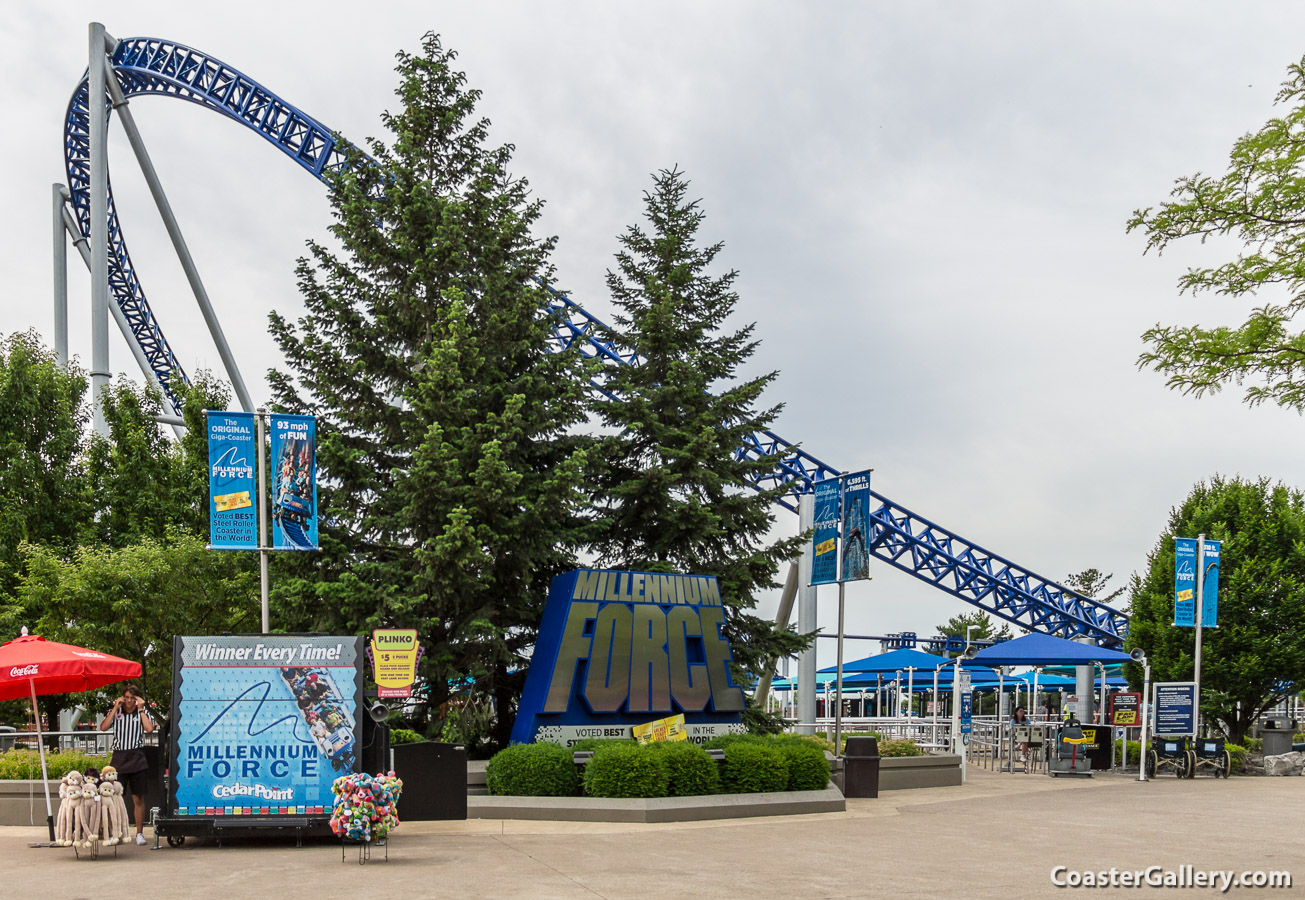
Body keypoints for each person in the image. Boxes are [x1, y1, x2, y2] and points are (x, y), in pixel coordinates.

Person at [98, 685, 155, 845]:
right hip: (119, 758)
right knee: (116, 797)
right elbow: (103, 727)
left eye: (132, 698)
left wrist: (142, 708)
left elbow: (149, 728)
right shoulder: (117, 713)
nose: (129, 701)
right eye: (127, 698)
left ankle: (139, 833)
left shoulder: (141, 712)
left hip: (136, 756)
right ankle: (117, 832)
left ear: (136, 699)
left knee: (138, 797)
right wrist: (115, 706)